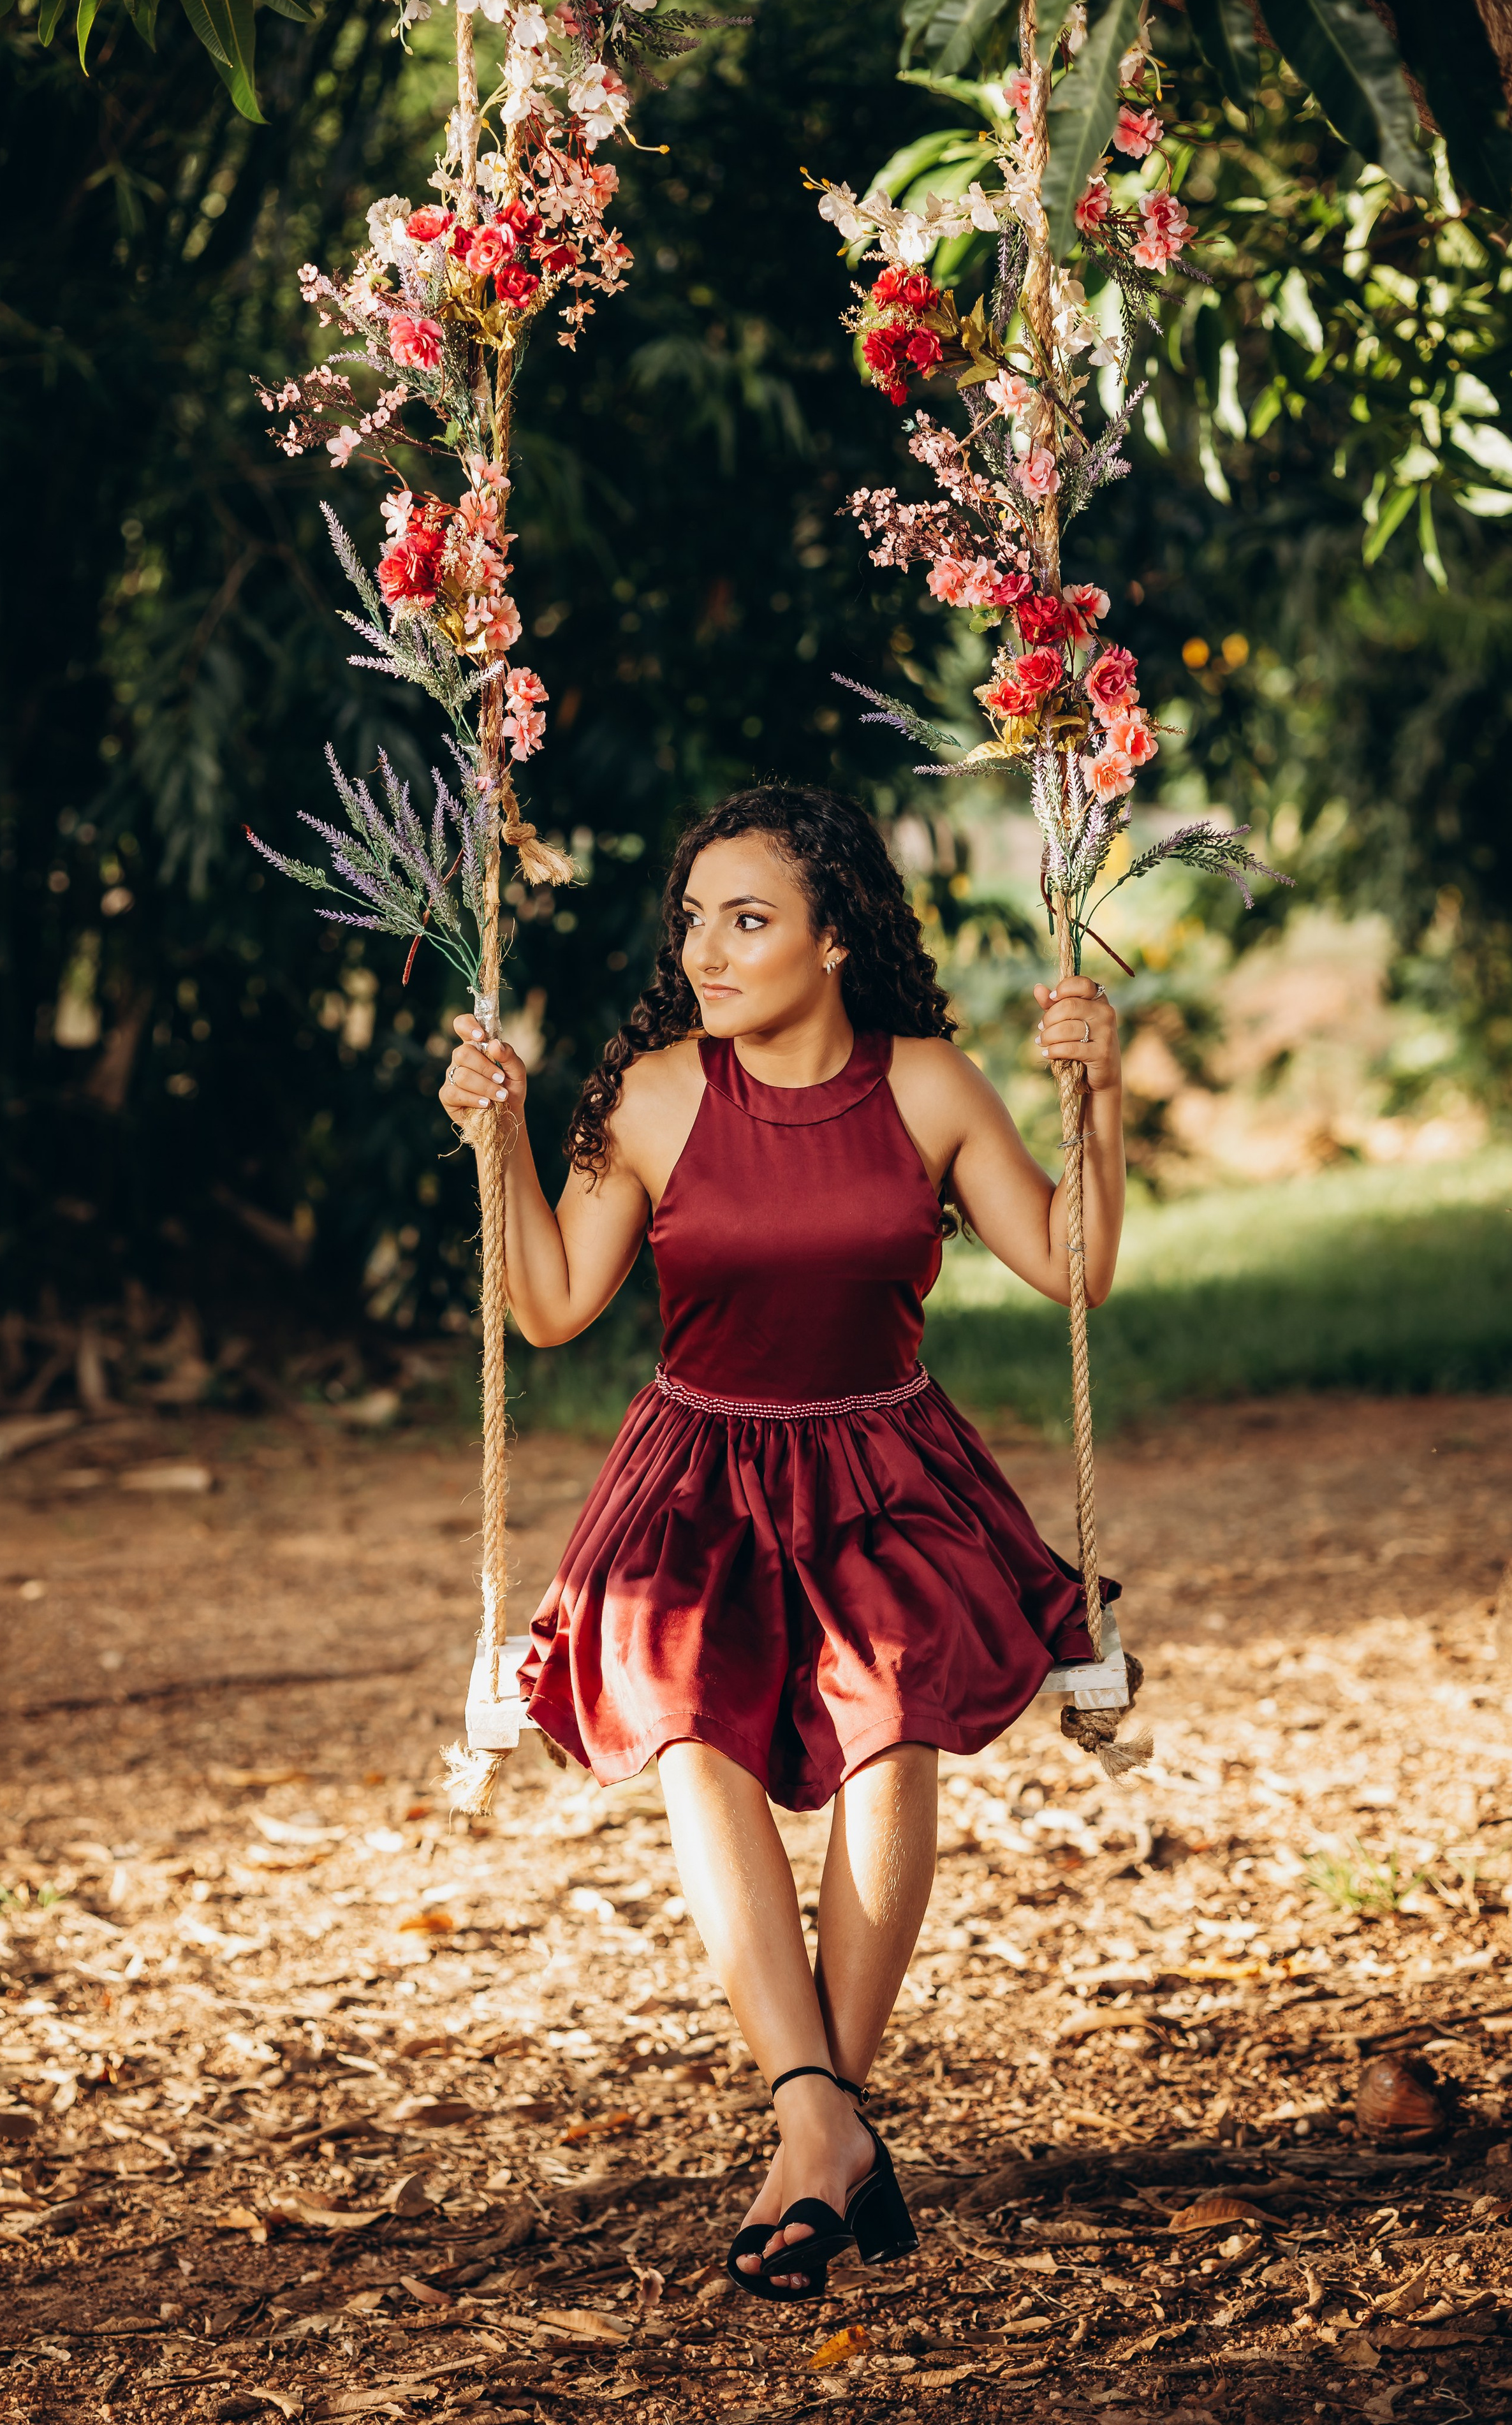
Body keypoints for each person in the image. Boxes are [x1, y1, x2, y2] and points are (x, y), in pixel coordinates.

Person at [437, 784, 1124, 2298]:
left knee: (892, 1727)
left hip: (883, 1467)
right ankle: (821, 2125)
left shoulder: (927, 1086)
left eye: (745, 920)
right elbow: (548, 1309)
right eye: (692, 919)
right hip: (698, 1475)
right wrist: (497, 1142)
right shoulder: (653, 1096)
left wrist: (1099, 1095)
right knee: (690, 1728)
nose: (705, 950)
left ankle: (817, 2135)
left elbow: (1071, 1263)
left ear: (831, 938)